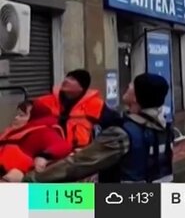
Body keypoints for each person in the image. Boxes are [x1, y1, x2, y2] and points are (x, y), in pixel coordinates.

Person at [11, 73, 174, 183]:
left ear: (138, 97)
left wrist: (30, 180)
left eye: (133, 85)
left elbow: (77, 165)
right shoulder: (165, 129)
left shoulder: (121, 133)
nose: (129, 85)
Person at [34, 69, 120, 149]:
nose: (66, 80)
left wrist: (96, 148)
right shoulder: (44, 102)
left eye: (72, 79)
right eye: (67, 77)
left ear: (81, 88)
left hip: (79, 157)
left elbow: (115, 125)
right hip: (49, 154)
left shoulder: (95, 105)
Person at [0, 102, 72, 182]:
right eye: (17, 115)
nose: (16, 118)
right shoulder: (11, 132)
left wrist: (43, 156)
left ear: (34, 117)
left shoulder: (43, 132)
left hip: (17, 177)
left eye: (22, 115)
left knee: (13, 175)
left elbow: (63, 146)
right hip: (3, 172)